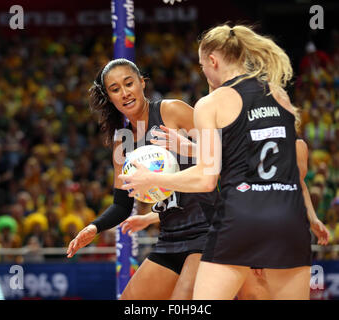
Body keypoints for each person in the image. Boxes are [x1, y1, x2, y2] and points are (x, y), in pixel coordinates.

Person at [119, 24, 327, 300]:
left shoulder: (212, 103)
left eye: (202, 64)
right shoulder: (280, 95)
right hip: (288, 220)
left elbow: (207, 178)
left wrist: (153, 179)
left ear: (213, 61)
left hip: (241, 218)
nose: (203, 71)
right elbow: (264, 162)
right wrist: (192, 149)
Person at [66, 58, 218, 300]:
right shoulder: (122, 139)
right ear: (109, 96)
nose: (125, 93)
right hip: (170, 235)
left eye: (129, 84)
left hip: (209, 230)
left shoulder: (171, 111)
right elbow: (122, 205)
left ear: (142, 83)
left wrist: (189, 146)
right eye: (115, 89)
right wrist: (94, 228)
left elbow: (224, 150)